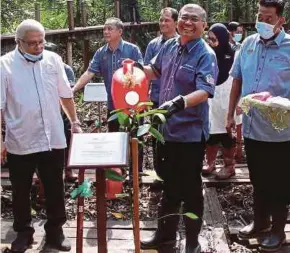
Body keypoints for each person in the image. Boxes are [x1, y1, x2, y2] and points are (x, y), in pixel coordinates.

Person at [140, 4, 218, 253]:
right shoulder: (169, 46)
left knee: (191, 189)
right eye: (184, 17)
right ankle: (165, 236)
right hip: (164, 131)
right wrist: (131, 70)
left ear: (203, 25)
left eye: (194, 19)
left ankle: (193, 240)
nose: (187, 22)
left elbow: (205, 90)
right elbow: (154, 71)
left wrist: (180, 102)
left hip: (190, 134)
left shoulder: (205, 54)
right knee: (168, 185)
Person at [0, 19, 82, 252]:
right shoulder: (4, 66)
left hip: (53, 137)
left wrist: (74, 121)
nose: (38, 47)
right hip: (21, 139)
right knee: (20, 189)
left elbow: (65, 94)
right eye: (32, 43)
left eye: (41, 42)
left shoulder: (53, 60)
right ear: (19, 43)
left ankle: (55, 232)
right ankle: (24, 233)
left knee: (56, 186)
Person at [226, 0, 290, 251]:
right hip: (253, 127)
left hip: (281, 131)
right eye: (260, 16)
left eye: (269, 18)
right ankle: (260, 223)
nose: (262, 22)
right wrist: (230, 115)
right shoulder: (248, 45)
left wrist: (278, 102)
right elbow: (237, 81)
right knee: (258, 178)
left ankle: (278, 230)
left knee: (279, 181)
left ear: (281, 20)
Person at [72, 17, 144, 171]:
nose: (106, 32)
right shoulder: (101, 52)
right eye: (104, 29)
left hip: (133, 104)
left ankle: (136, 172)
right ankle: (116, 173)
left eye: (110, 28)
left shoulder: (132, 50)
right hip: (113, 104)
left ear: (120, 31)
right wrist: (73, 90)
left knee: (135, 137)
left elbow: (142, 73)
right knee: (114, 138)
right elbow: (89, 73)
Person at [144, 7, 178, 177]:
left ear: (176, 23)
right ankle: (160, 173)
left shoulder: (182, 43)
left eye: (167, 20)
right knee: (156, 136)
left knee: (174, 137)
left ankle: (175, 173)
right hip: (156, 99)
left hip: (176, 101)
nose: (163, 23)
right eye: (161, 20)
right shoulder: (153, 45)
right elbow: (147, 73)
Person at [202, 23, 236, 179]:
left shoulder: (233, 54)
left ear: (222, 39)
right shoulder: (207, 54)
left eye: (214, 39)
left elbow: (238, 79)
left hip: (228, 97)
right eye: (208, 39)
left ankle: (229, 166)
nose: (210, 42)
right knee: (211, 133)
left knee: (227, 134)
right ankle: (210, 163)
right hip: (211, 96)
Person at [45, 42, 77, 182]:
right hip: (45, 111)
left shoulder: (66, 69)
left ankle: (69, 169)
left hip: (62, 111)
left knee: (67, 139)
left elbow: (66, 90)